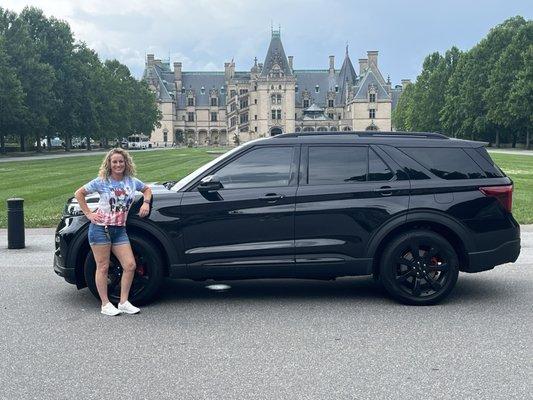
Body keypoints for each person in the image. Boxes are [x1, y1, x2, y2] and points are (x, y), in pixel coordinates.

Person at [74, 148, 152, 316]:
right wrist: (88, 213)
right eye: (114, 162)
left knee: (130, 265)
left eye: (121, 161)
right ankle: (105, 304)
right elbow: (79, 193)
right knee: (102, 266)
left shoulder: (131, 182)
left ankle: (123, 302)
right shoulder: (102, 181)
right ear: (109, 164)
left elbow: (147, 189)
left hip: (119, 230)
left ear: (126, 163)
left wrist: (146, 203)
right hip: (101, 229)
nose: (118, 164)